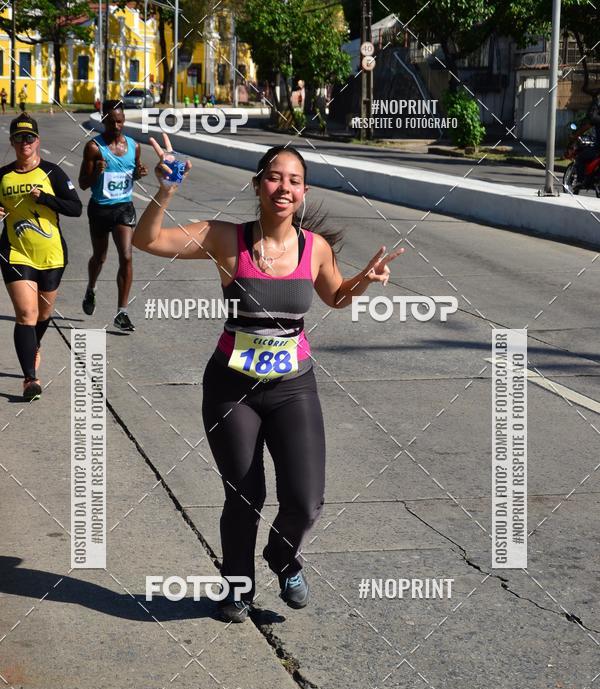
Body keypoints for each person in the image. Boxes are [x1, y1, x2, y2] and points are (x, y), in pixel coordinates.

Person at [133, 136, 402, 622]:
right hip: (232, 388)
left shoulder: (314, 247)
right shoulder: (224, 238)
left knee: (305, 497)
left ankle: (282, 556)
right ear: (258, 185)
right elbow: (147, 240)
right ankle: (237, 588)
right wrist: (166, 190)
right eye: (275, 177)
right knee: (245, 494)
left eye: (295, 181)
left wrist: (363, 278)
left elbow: (336, 297)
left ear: (303, 193)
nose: (285, 187)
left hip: (293, 386)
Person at [0, 114, 82, 399]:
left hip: (52, 255)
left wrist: (45, 198)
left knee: (43, 314)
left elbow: (75, 208)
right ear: (11, 142)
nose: (25, 143)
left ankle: (34, 345)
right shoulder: (2, 176)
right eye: (19, 138)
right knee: (26, 314)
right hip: (15, 252)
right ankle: (29, 380)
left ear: (38, 141)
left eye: (30, 137)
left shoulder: (52, 173)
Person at [77, 99, 148, 331]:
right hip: (99, 209)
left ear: (124, 120)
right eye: (111, 121)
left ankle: (122, 312)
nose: (116, 126)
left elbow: (133, 173)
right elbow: (83, 184)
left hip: (123, 208)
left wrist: (139, 173)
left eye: (120, 121)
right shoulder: (94, 148)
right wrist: (96, 172)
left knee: (126, 256)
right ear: (103, 120)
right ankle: (91, 288)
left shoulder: (134, 146)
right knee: (100, 257)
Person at [574, 94, 600, 188]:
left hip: (598, 149)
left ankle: (580, 180)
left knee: (580, 157)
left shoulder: (597, 119)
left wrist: (594, 102)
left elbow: (590, 119)